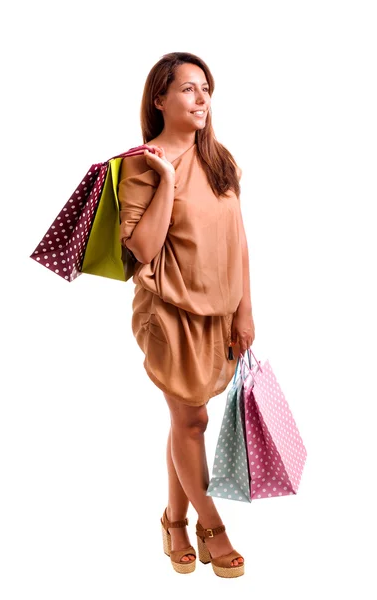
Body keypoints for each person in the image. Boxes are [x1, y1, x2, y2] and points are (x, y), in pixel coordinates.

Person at [118, 52, 255, 578]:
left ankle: (173, 521)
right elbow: (145, 250)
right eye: (188, 90)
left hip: (218, 310)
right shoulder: (140, 163)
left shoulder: (219, 158)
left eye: (206, 90)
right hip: (168, 311)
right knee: (192, 419)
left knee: (185, 421)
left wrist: (245, 310)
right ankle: (212, 527)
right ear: (160, 98)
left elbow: (238, 240)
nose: (202, 100)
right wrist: (168, 182)